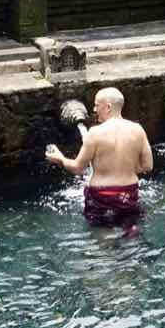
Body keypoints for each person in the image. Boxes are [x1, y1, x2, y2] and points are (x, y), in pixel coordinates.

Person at [46, 86, 153, 231]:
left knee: (103, 238)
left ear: (108, 107)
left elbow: (78, 168)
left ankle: (106, 249)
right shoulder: (138, 130)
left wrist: (60, 158)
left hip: (102, 196)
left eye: (96, 105)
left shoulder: (95, 133)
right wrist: (124, 166)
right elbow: (147, 166)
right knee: (130, 231)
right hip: (128, 193)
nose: (94, 110)